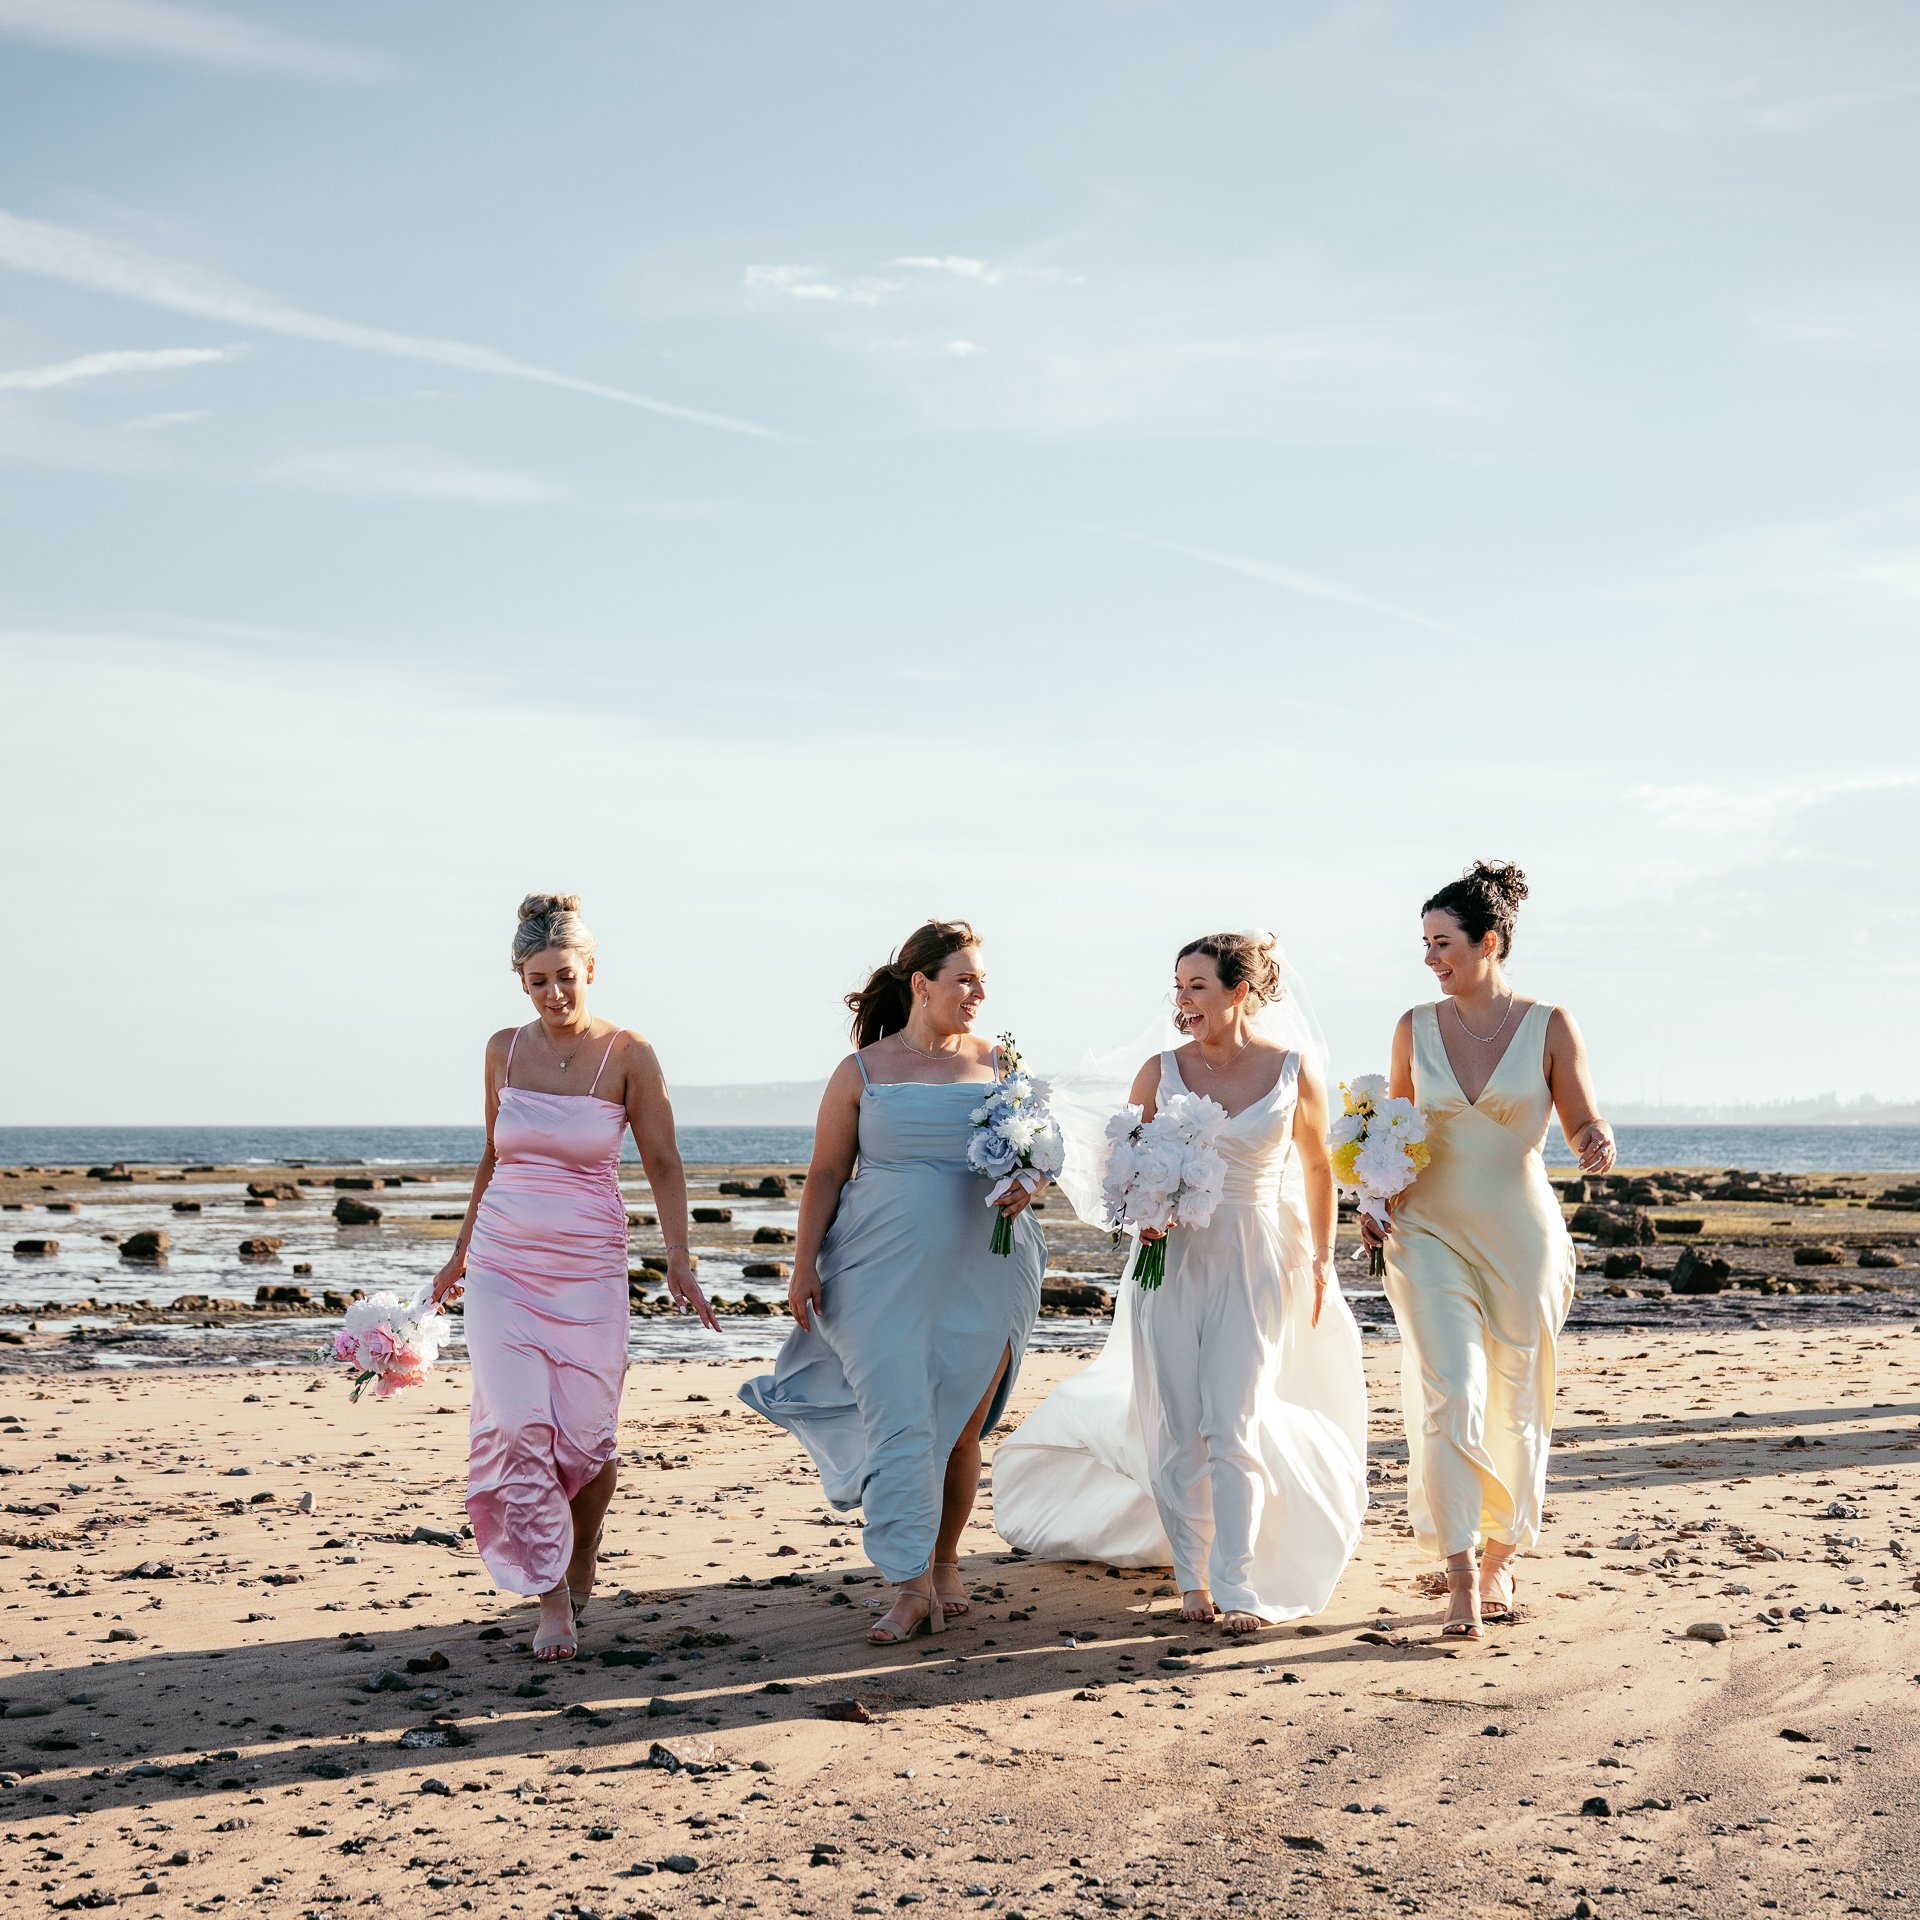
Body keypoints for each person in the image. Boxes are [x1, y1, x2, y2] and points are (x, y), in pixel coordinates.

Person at [993, 932, 1368, 1633]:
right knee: (1176, 1425)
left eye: (1198, 985)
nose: (1184, 1000)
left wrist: (1320, 1257)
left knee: (1234, 1422)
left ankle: (1239, 1583)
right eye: (1179, 986)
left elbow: (1318, 1167)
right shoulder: (1159, 1071)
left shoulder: (1291, 1070)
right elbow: (1122, 1158)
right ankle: (1193, 1579)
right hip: (1168, 1261)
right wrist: (1144, 1211)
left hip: (1255, 1257)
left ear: (1240, 992)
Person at [739, 920, 1046, 1644]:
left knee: (964, 1429)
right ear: (922, 984)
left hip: (988, 1267)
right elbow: (824, 1173)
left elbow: (1029, 1161)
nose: (977, 992)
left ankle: (943, 1562)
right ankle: (907, 1587)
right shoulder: (863, 1072)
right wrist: (802, 1261)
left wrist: (1028, 1184)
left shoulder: (1002, 1063)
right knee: (901, 1420)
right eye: (963, 978)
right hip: (877, 1269)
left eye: (980, 979)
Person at [431, 892, 716, 1661]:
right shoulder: (503, 1049)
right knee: (520, 1425)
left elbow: (662, 1162)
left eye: (565, 977)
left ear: (591, 968)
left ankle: (581, 1546)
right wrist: (460, 1252)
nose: (553, 994)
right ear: (519, 981)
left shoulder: (630, 1054)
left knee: (590, 1441)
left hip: (590, 1267)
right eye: (536, 981)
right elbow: (492, 1155)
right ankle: (552, 1595)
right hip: (503, 1266)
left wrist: (681, 1261)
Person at [1367, 861, 1613, 1638]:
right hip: (1428, 1232)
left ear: (1490, 942)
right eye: (1426, 944)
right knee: (1451, 1394)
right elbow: (1395, 1136)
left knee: (1517, 1397)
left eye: (1444, 943)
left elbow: (1578, 1120)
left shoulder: (1550, 1025)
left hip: (1523, 1235)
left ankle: (1504, 1554)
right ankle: (1462, 1573)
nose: (1431, 958)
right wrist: (1372, 1195)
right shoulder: (1414, 1026)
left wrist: (1594, 1139)